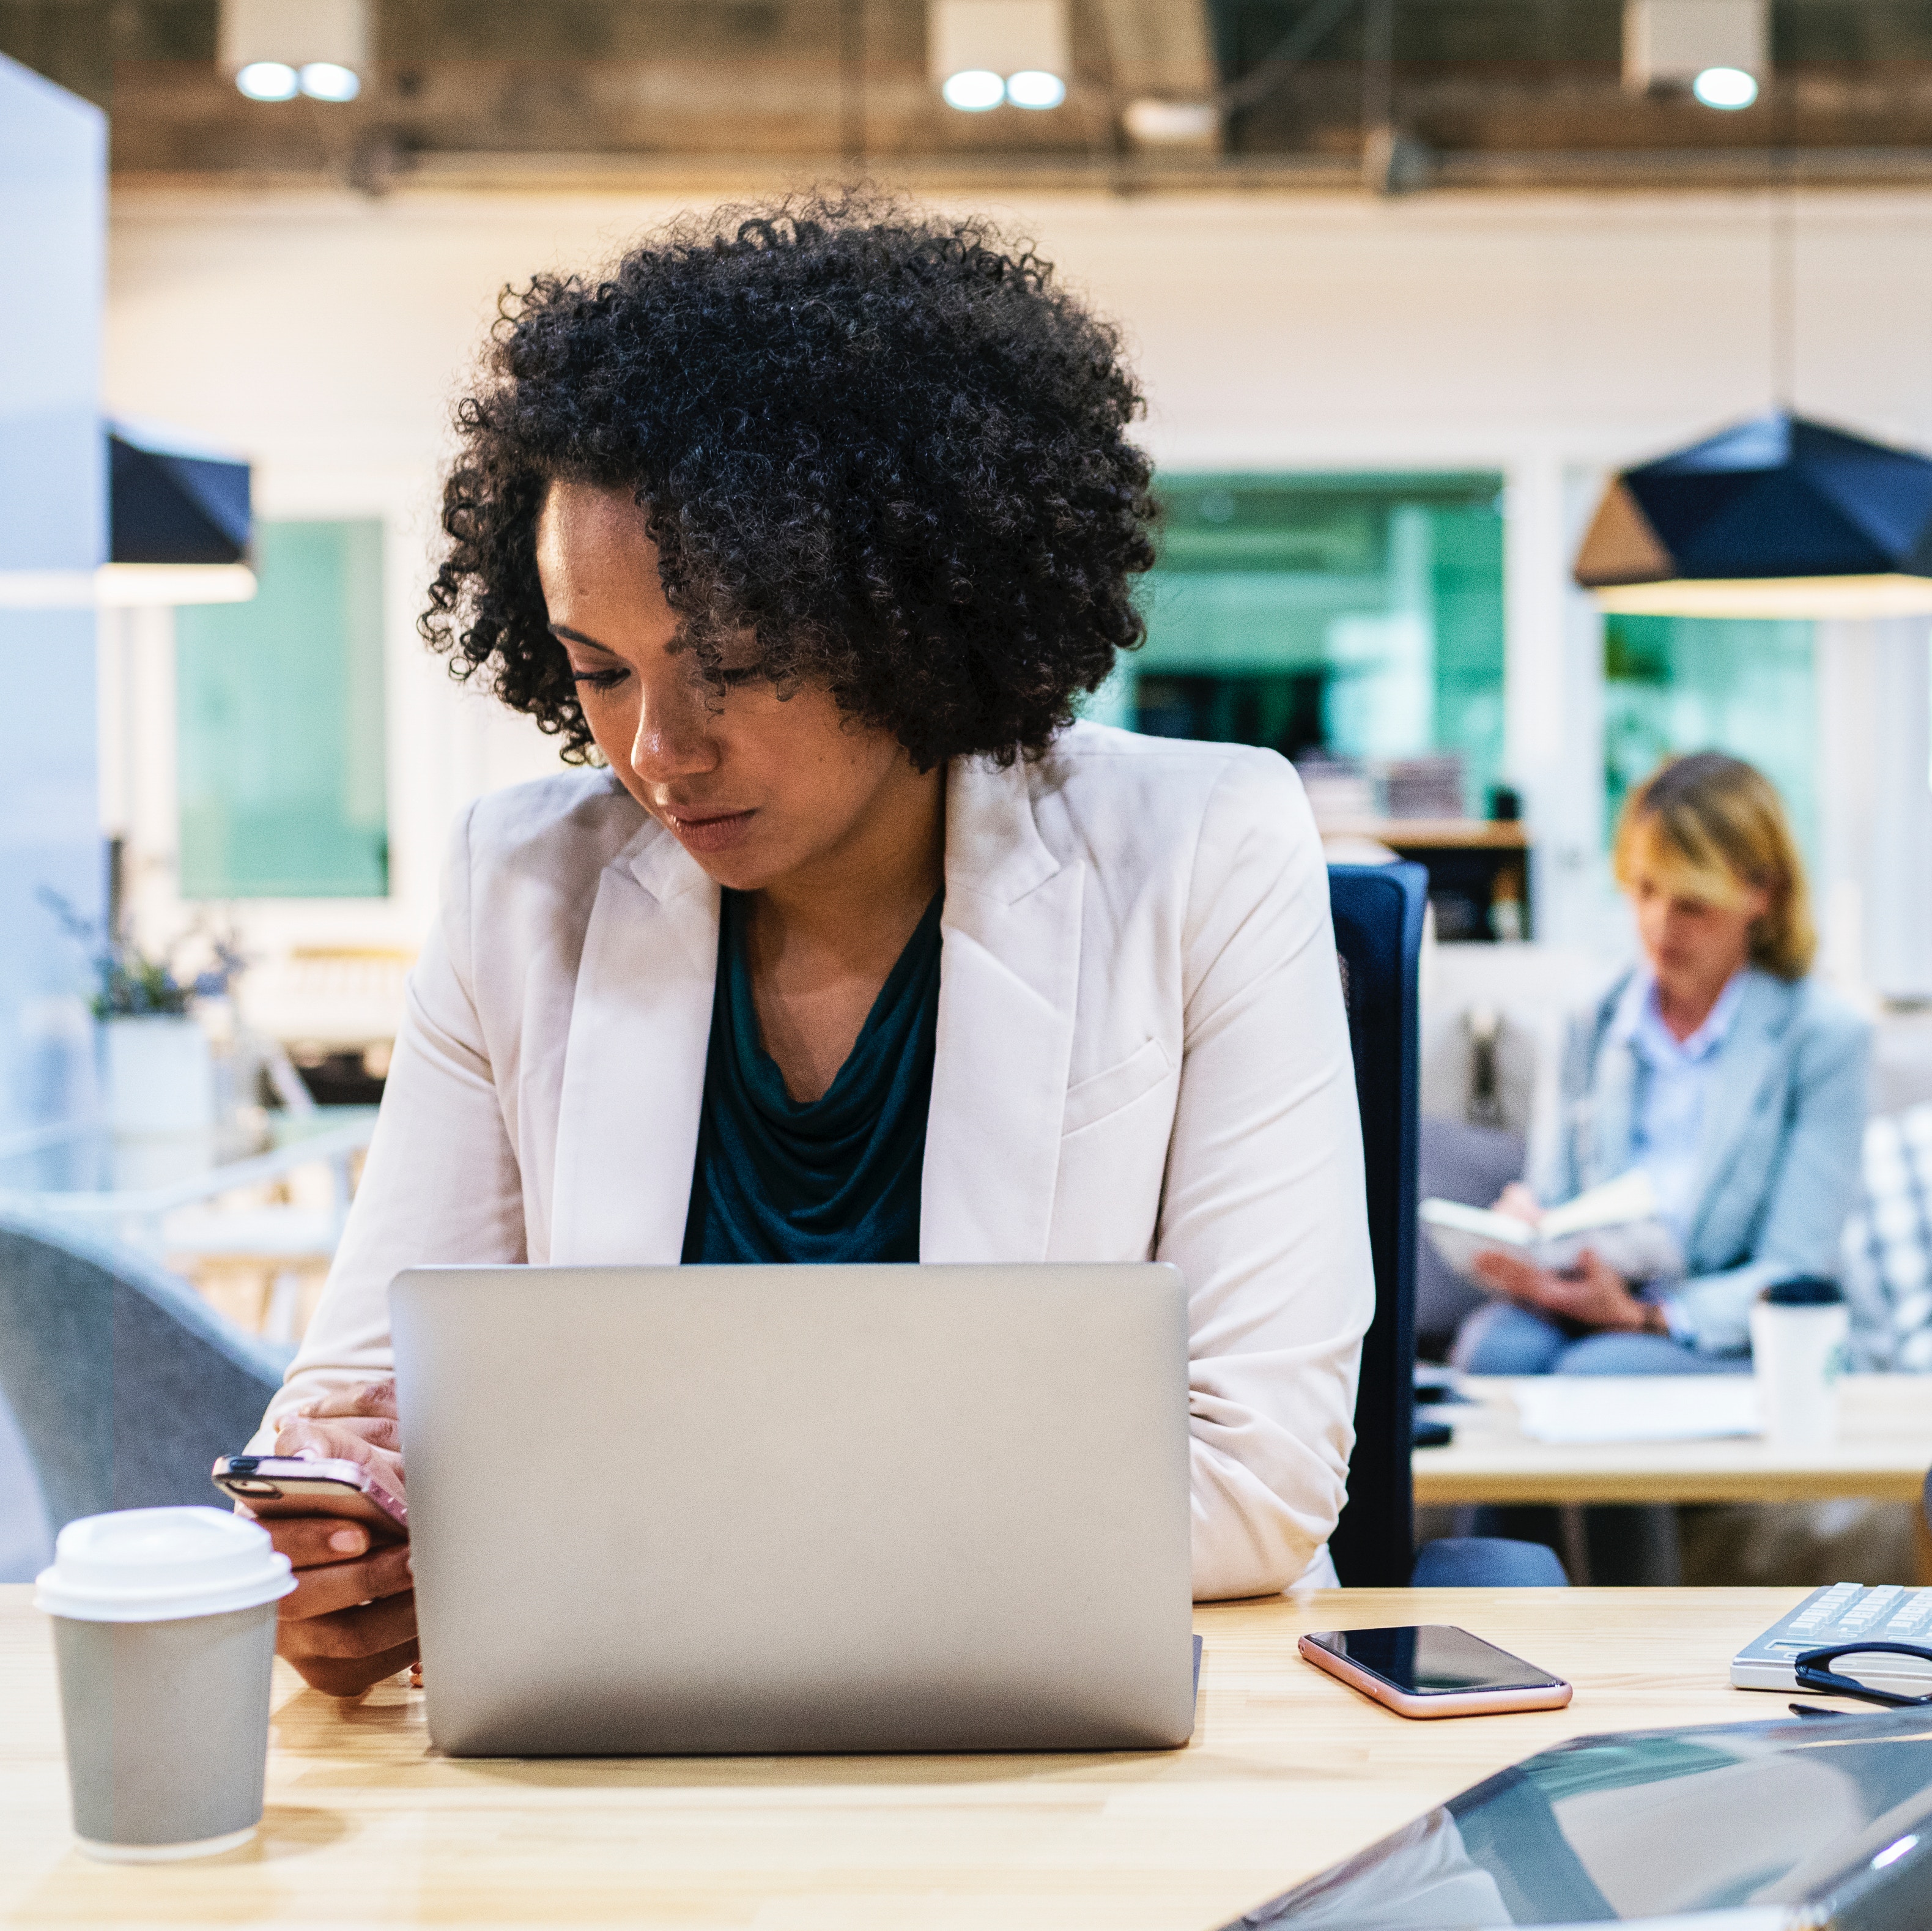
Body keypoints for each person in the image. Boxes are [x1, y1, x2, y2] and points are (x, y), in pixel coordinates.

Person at [253, 196, 1375, 1696]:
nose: (658, 751)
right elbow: (355, 1412)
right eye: (598, 672)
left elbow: (1252, 1479)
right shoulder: (517, 885)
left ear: (912, 615)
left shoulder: (1207, 847)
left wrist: (567, 1534)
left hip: (1103, 1744)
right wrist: (338, 1547)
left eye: (738, 665)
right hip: (623, 1731)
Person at [1454, 751, 1870, 1377]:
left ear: (1762, 892)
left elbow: (1795, 1267)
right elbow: (1556, 1194)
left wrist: (1647, 1317)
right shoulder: (1586, 1017)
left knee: (1603, 1370)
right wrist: (1529, 1231)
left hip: (1727, 1327)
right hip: (1592, 1298)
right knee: (1493, 1353)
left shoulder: (1823, 1037)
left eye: (1692, 905)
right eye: (1644, 890)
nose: (1658, 925)